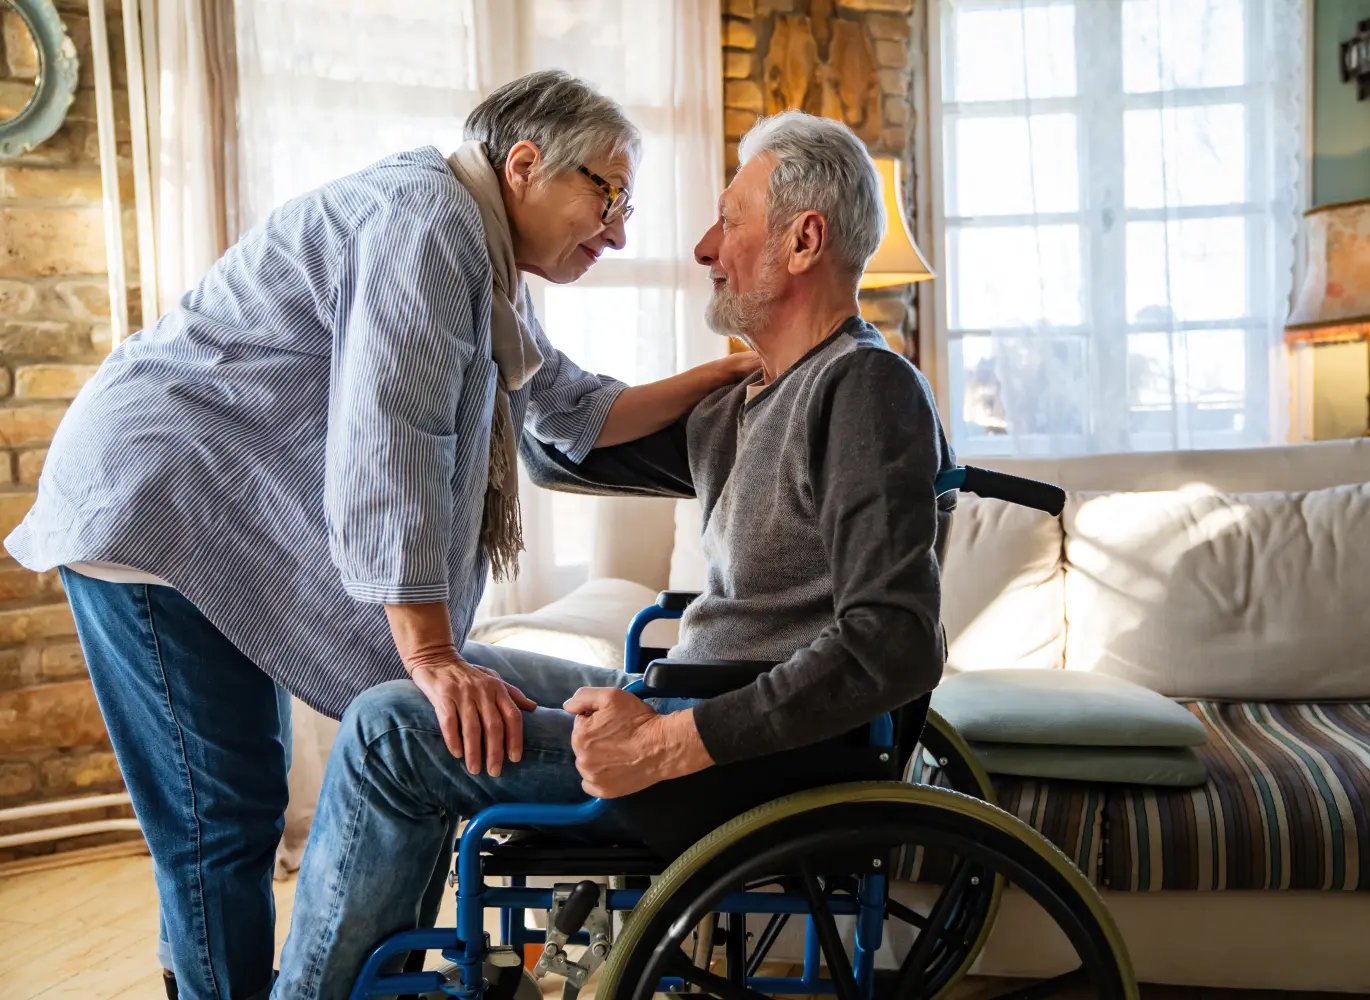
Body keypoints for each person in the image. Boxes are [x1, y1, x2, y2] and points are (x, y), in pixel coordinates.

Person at [3, 70, 757, 1000]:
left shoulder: (480, 248)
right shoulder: (429, 223)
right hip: (155, 504)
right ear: (525, 165)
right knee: (218, 816)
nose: (622, 231)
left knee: (242, 794)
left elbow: (572, 410)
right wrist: (431, 652)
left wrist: (728, 375)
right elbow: (390, 439)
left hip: (201, 510)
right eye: (609, 196)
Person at [270, 109, 954, 1000]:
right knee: (441, 676)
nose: (706, 248)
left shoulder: (863, 390)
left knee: (389, 733)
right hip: (683, 703)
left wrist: (670, 744)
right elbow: (558, 450)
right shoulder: (748, 404)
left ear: (803, 240)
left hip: (738, 762)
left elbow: (892, 642)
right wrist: (468, 305)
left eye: (729, 220)